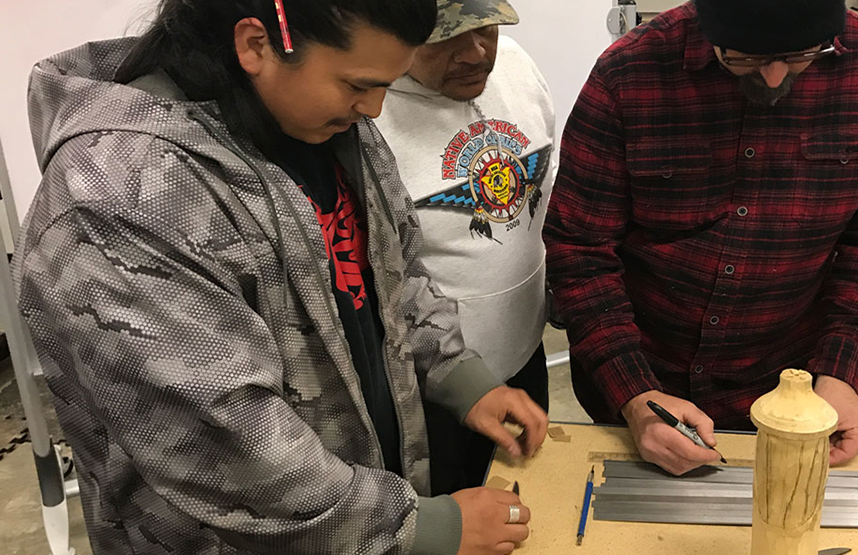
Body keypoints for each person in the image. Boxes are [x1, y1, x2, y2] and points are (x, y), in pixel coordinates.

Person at [14, 1, 548, 554]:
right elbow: (225, 444)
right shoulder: (119, 196)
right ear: (256, 44)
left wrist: (459, 376)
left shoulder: (323, 121)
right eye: (358, 84)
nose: (375, 108)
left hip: (360, 511)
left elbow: (395, 273)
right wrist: (417, 530)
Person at [544, 0, 858, 476]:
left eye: (798, 56)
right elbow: (579, 248)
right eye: (743, 58)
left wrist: (841, 371)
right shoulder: (631, 71)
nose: (772, 79)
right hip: (640, 379)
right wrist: (634, 395)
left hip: (792, 385)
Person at [373, 0, 555, 494]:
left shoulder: (515, 63)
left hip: (523, 353)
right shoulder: (368, 111)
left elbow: (547, 181)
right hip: (430, 386)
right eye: (446, 37)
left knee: (526, 501)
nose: (476, 52)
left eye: (486, 29)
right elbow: (386, 276)